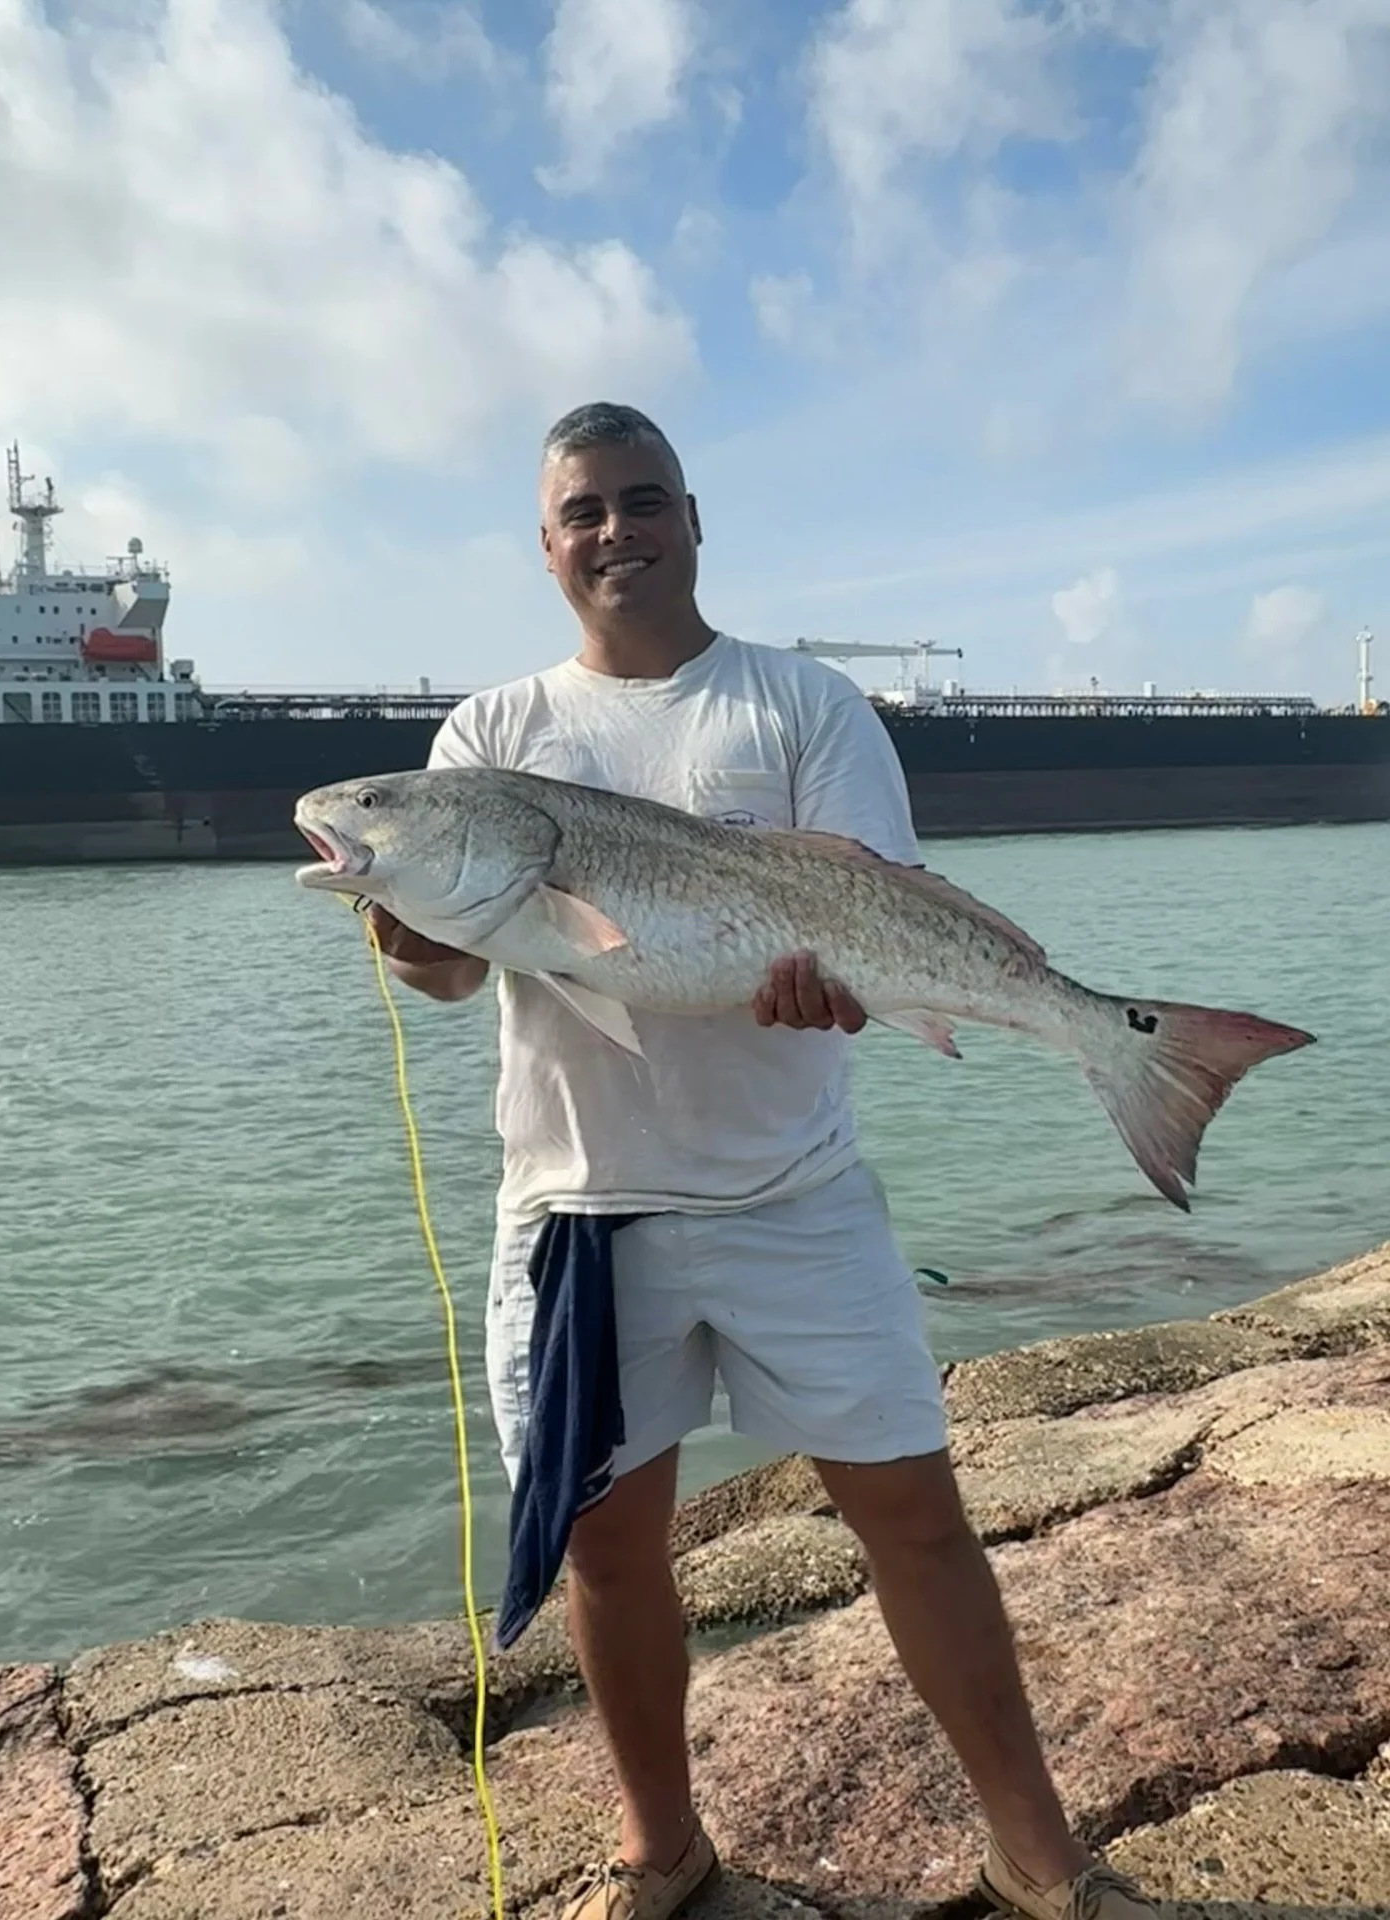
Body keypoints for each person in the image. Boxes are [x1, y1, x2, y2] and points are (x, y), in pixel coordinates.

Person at [368, 403, 1159, 1920]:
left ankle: (1038, 1854)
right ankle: (664, 1852)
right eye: (582, 511)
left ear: (692, 517)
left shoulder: (799, 706)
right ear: (545, 547)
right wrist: (411, 935)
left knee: (918, 1518)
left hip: (797, 1194)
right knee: (609, 1552)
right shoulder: (487, 744)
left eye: (640, 500)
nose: (615, 530)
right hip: (579, 1211)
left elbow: (861, 905)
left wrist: (837, 979)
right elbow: (469, 977)